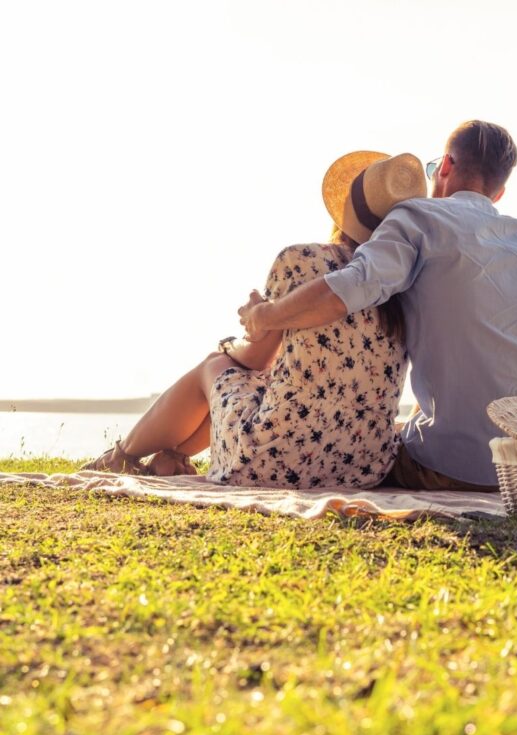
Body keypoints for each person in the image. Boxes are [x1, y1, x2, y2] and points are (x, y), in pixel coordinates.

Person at [239, 120, 517, 491]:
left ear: (445, 165)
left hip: (460, 466)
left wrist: (264, 315)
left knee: (382, 448)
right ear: (499, 193)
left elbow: (346, 291)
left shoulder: (419, 218)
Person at [83, 151, 426, 488]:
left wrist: (246, 329)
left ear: (345, 213)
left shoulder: (303, 260)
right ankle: (172, 456)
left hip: (276, 462)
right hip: (364, 467)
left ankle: (121, 456)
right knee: (256, 384)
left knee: (214, 366)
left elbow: (255, 359)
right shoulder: (409, 287)